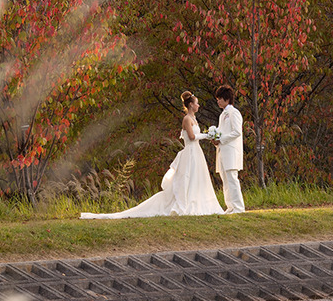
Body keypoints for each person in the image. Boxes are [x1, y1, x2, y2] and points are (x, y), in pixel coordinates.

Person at [80, 91, 224, 219]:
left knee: (196, 179)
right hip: (190, 152)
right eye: (197, 103)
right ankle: (184, 204)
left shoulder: (194, 119)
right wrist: (207, 135)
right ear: (191, 105)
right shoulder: (187, 119)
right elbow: (192, 137)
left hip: (196, 152)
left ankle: (197, 201)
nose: (199, 106)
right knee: (187, 179)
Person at [214, 84, 245, 214]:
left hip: (231, 151)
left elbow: (237, 132)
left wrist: (221, 139)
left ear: (226, 99)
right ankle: (230, 206)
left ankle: (238, 208)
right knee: (225, 180)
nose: (218, 101)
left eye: (220, 99)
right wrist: (216, 139)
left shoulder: (234, 112)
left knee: (232, 179)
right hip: (222, 151)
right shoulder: (222, 115)